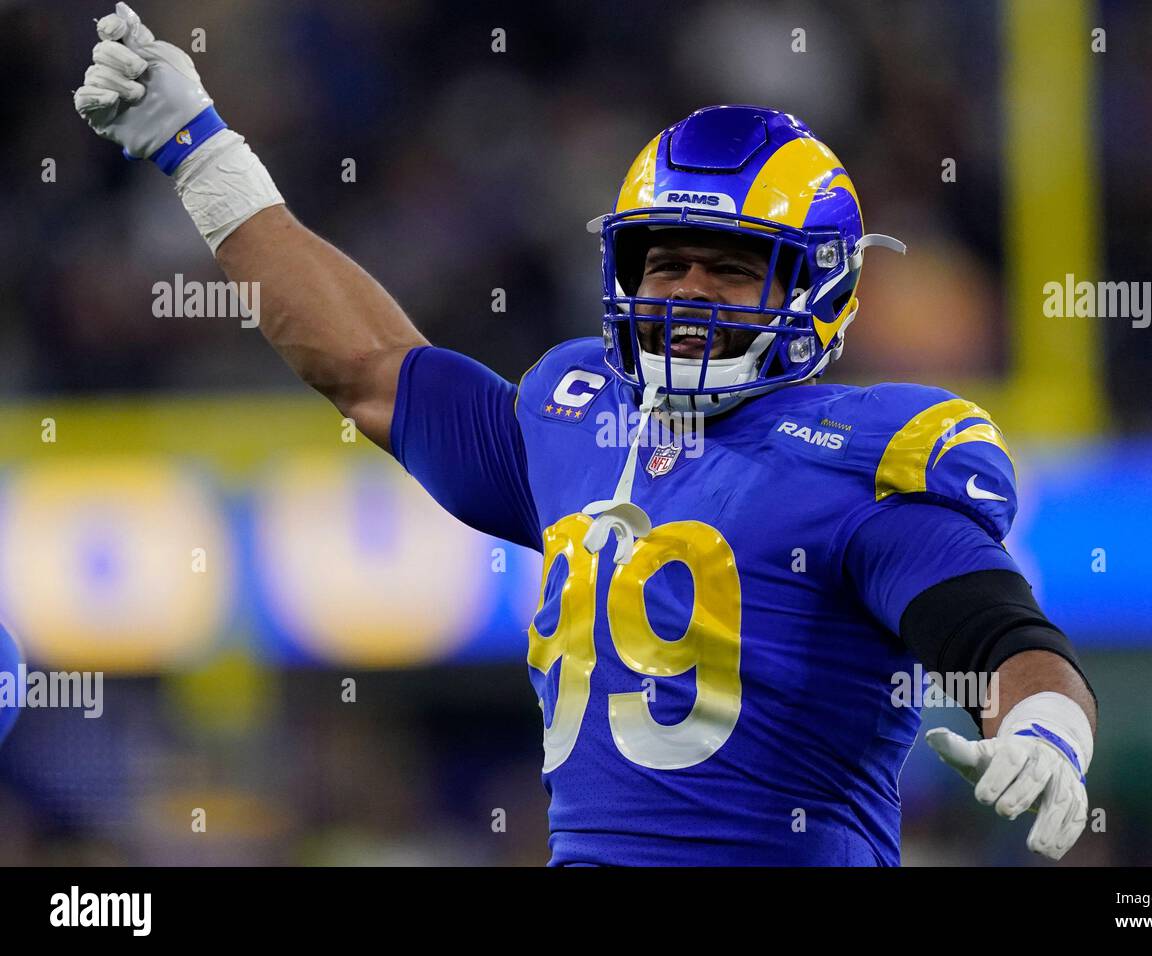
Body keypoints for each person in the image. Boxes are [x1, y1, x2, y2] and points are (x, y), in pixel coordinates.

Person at [74, 3, 1097, 865]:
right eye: (666, 261)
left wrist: (1043, 724)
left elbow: (1000, 634)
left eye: (731, 265)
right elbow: (368, 366)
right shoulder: (578, 417)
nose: (689, 291)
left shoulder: (856, 461)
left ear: (816, 287)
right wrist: (200, 148)